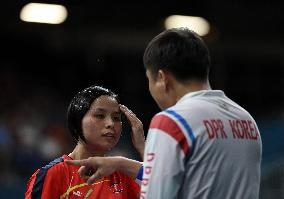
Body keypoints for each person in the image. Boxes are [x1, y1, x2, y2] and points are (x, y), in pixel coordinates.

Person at [67, 28, 262, 199]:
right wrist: (120, 163)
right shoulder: (246, 120)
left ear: (162, 78)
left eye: (149, 80)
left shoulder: (172, 121)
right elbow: (197, 180)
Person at [25, 85, 145, 199]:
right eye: (100, 115)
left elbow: (161, 188)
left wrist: (143, 147)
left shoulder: (125, 176)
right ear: (78, 120)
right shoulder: (53, 174)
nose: (111, 124)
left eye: (116, 118)